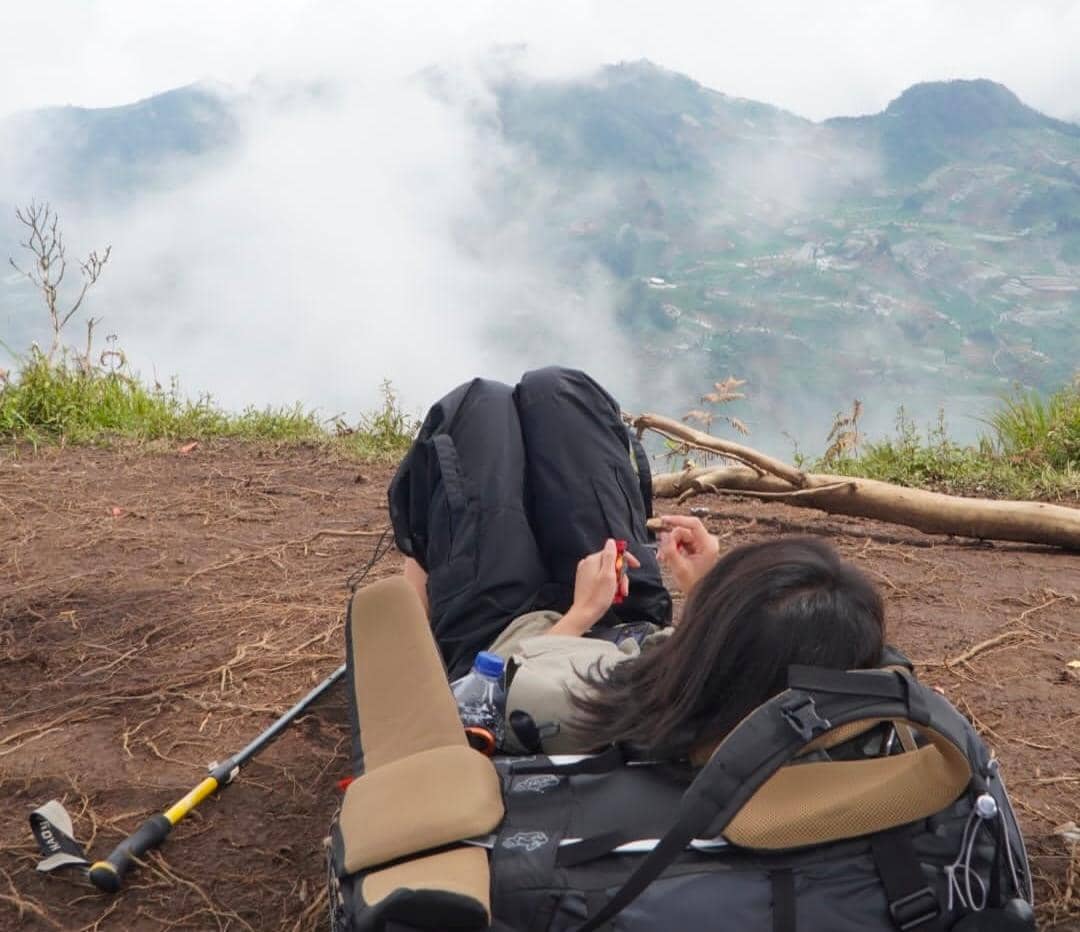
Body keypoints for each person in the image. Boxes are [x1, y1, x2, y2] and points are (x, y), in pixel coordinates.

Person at [391, 367, 886, 759]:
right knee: (558, 390)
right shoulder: (764, 691)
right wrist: (705, 590)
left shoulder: (589, 710)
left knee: (478, 407)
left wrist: (581, 614)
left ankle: (418, 608)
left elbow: (472, 700)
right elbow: (752, 656)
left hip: (509, 638)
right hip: (629, 616)